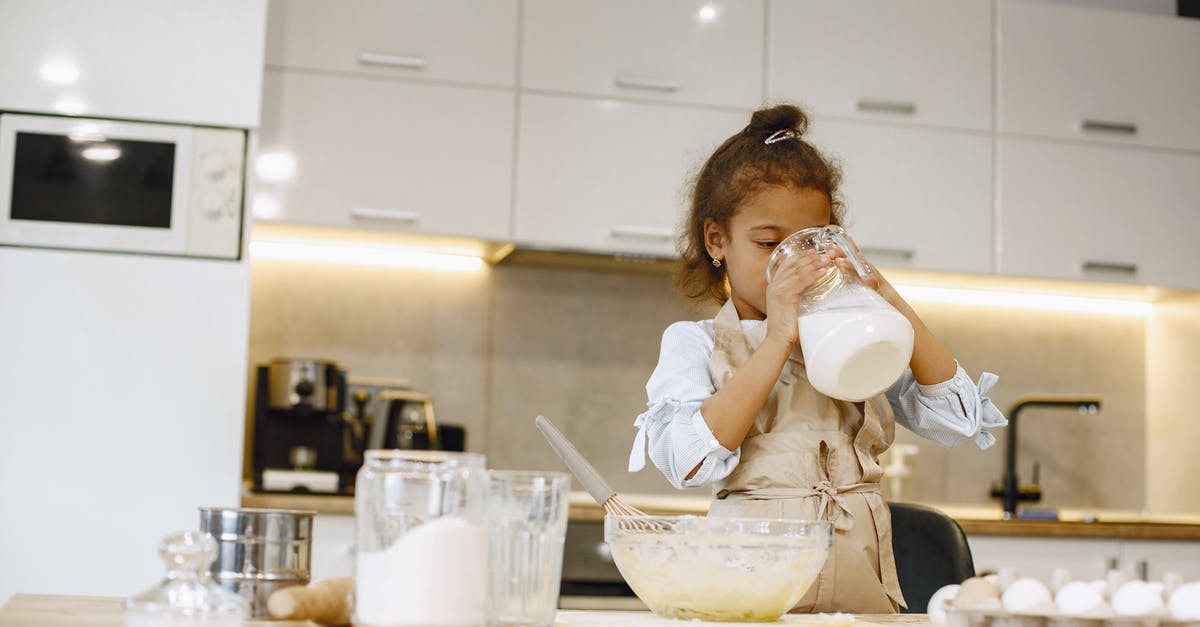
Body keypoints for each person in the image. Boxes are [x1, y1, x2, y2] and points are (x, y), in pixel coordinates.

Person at [627, 103, 1007, 613]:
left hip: (861, 594)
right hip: (753, 596)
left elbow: (959, 421)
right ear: (717, 239)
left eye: (808, 243)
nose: (793, 263)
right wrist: (778, 335)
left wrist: (886, 299)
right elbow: (687, 461)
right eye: (769, 243)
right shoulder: (693, 342)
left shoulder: (848, 338)